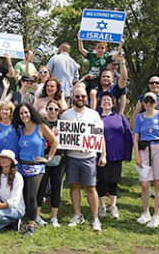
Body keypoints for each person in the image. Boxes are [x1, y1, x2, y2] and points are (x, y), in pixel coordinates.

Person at [61, 86, 106, 232]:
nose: (80, 99)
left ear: (87, 98)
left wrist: (103, 155)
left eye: (83, 96)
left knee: (90, 187)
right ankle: (77, 215)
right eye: (77, 96)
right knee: (74, 186)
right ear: (73, 97)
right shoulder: (66, 115)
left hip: (89, 157)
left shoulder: (94, 114)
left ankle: (95, 218)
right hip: (72, 156)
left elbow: (100, 136)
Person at [12, 103, 58, 236]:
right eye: (21, 113)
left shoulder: (41, 126)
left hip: (36, 167)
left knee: (31, 195)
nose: (24, 115)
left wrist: (48, 158)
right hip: (21, 166)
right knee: (22, 194)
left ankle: (32, 224)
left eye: (26, 112)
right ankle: (22, 220)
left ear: (31, 112)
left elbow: (54, 141)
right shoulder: (20, 129)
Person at [133, 92, 159, 228]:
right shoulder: (139, 117)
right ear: (143, 103)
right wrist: (137, 155)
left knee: (158, 182)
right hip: (144, 149)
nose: (148, 104)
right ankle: (145, 212)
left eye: (151, 101)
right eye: (146, 101)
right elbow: (136, 137)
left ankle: (156, 215)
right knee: (144, 183)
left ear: (156, 103)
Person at [96, 93, 132, 220]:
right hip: (99, 155)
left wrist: (128, 154)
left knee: (113, 181)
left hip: (116, 155)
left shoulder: (120, 118)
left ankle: (113, 205)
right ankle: (102, 206)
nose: (106, 102)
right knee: (102, 180)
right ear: (100, 103)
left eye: (109, 100)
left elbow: (128, 135)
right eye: (104, 100)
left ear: (113, 103)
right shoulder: (96, 118)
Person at [35, 100, 67, 227]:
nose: (53, 112)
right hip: (43, 158)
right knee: (41, 187)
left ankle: (54, 217)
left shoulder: (64, 125)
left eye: (56, 109)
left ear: (59, 111)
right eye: (50, 109)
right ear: (46, 109)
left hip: (59, 158)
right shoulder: (40, 124)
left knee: (56, 187)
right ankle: (37, 216)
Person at [77, 37, 123, 109]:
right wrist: (80, 38)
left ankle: (93, 111)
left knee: (93, 93)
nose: (100, 50)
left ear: (105, 49)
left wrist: (121, 44)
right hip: (88, 78)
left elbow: (118, 54)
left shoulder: (106, 57)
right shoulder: (92, 56)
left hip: (96, 80)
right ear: (95, 48)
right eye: (98, 47)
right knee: (80, 88)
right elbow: (81, 49)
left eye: (102, 48)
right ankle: (80, 106)